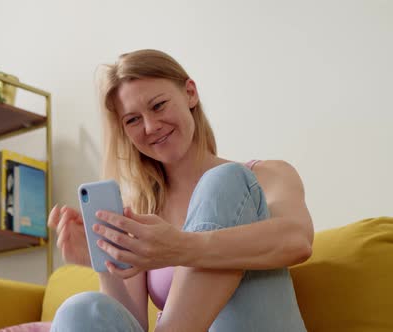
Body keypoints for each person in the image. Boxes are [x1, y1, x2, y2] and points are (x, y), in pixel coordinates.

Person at [47, 49, 313, 332]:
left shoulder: (266, 175)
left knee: (225, 181)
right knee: (79, 311)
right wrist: (103, 262)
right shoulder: (141, 212)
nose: (150, 126)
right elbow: (130, 323)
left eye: (158, 105)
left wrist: (176, 248)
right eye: (132, 120)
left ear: (190, 93)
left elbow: (298, 241)